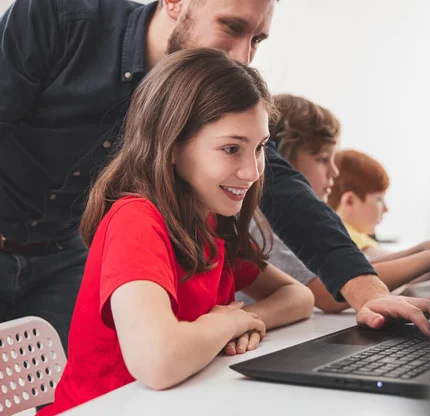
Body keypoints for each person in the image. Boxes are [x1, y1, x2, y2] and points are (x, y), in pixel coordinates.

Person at [0, 0, 430, 344]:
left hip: (60, 256)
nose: (242, 58)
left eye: (257, 40)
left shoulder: (209, 96)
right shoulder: (62, 18)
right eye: (232, 27)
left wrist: (369, 294)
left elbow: (286, 190)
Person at [37, 48, 315, 416]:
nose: (253, 171)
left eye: (260, 148)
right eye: (231, 149)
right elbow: (157, 362)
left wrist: (243, 322)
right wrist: (224, 321)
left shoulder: (211, 217)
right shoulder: (136, 220)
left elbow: (297, 296)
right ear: (171, 146)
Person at [265, 94, 430, 313]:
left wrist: (426, 250)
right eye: (322, 159)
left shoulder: (302, 223)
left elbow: (356, 268)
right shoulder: (266, 224)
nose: (334, 171)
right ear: (282, 160)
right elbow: (330, 293)